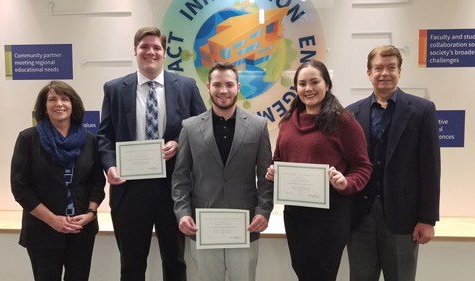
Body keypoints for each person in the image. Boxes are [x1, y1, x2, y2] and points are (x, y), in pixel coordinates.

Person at [97, 26, 206, 281]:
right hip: (129, 190)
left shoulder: (186, 86)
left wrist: (178, 142)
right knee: (132, 264)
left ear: (164, 53)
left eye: (156, 47)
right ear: (135, 51)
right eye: (144, 47)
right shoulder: (114, 89)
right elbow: (104, 135)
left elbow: (201, 127)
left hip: (174, 189)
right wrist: (110, 166)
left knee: (175, 261)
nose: (150, 52)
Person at [265, 59, 372, 281]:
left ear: (327, 85)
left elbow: (362, 167)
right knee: (303, 272)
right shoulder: (288, 121)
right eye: (302, 83)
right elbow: (278, 159)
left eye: (315, 82)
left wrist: (346, 182)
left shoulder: (343, 122)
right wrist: (274, 171)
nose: (308, 88)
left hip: (331, 216)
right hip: (296, 215)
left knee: (322, 274)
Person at [346, 45, 441, 281]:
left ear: (400, 71)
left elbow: (430, 169)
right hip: (360, 220)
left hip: (404, 220)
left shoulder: (422, 110)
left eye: (391, 67)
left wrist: (427, 219)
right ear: (369, 73)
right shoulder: (350, 114)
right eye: (378, 68)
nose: (384, 73)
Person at [172, 62, 273, 281]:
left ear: (238, 87)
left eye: (229, 84)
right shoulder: (189, 127)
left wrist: (263, 211)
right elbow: (180, 177)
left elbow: (266, 177)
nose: (223, 90)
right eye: (217, 85)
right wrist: (182, 213)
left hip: (245, 226)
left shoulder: (258, 126)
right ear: (208, 87)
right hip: (202, 226)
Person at [10, 81, 106, 281]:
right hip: (42, 230)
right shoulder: (28, 139)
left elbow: (97, 182)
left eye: (64, 99)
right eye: (52, 99)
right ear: (44, 107)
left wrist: (90, 213)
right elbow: (20, 187)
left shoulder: (90, 140)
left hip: (81, 230)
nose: (59, 104)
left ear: (74, 105)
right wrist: (52, 220)